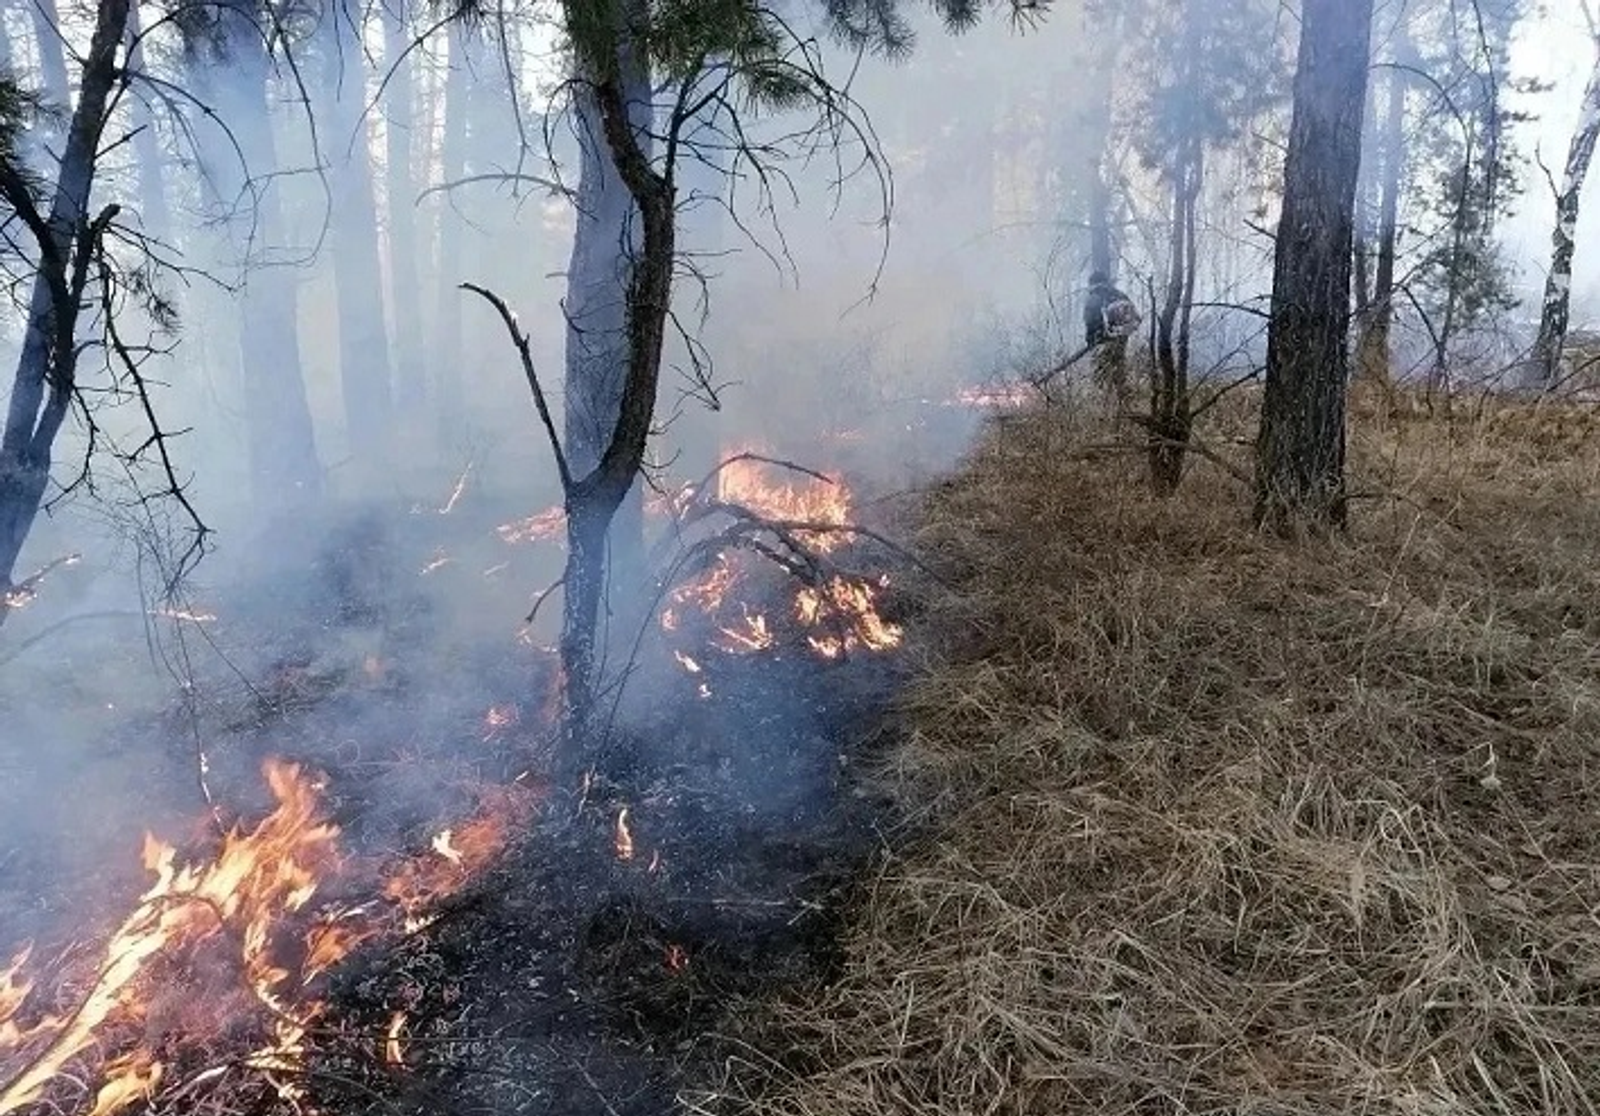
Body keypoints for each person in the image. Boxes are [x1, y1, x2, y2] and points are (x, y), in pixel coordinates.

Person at [1083, 270, 1140, 400]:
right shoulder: (1120, 295)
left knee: (1100, 375)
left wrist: (1090, 340)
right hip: (1121, 339)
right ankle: (1127, 403)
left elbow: (1090, 320)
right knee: (1119, 369)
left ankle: (1102, 405)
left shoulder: (1095, 296)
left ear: (1092, 283)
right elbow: (1134, 318)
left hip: (1103, 342)